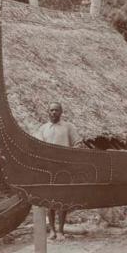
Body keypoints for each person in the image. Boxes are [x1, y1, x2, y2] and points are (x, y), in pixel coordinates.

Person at [35, 101, 83, 240]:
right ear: (48, 112)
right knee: (49, 200)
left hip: (64, 170)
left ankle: (61, 231)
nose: (54, 112)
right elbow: (38, 146)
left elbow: (78, 143)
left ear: (61, 112)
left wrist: (70, 155)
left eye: (56, 110)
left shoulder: (68, 127)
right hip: (49, 169)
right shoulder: (43, 129)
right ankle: (52, 231)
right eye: (51, 110)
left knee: (62, 199)